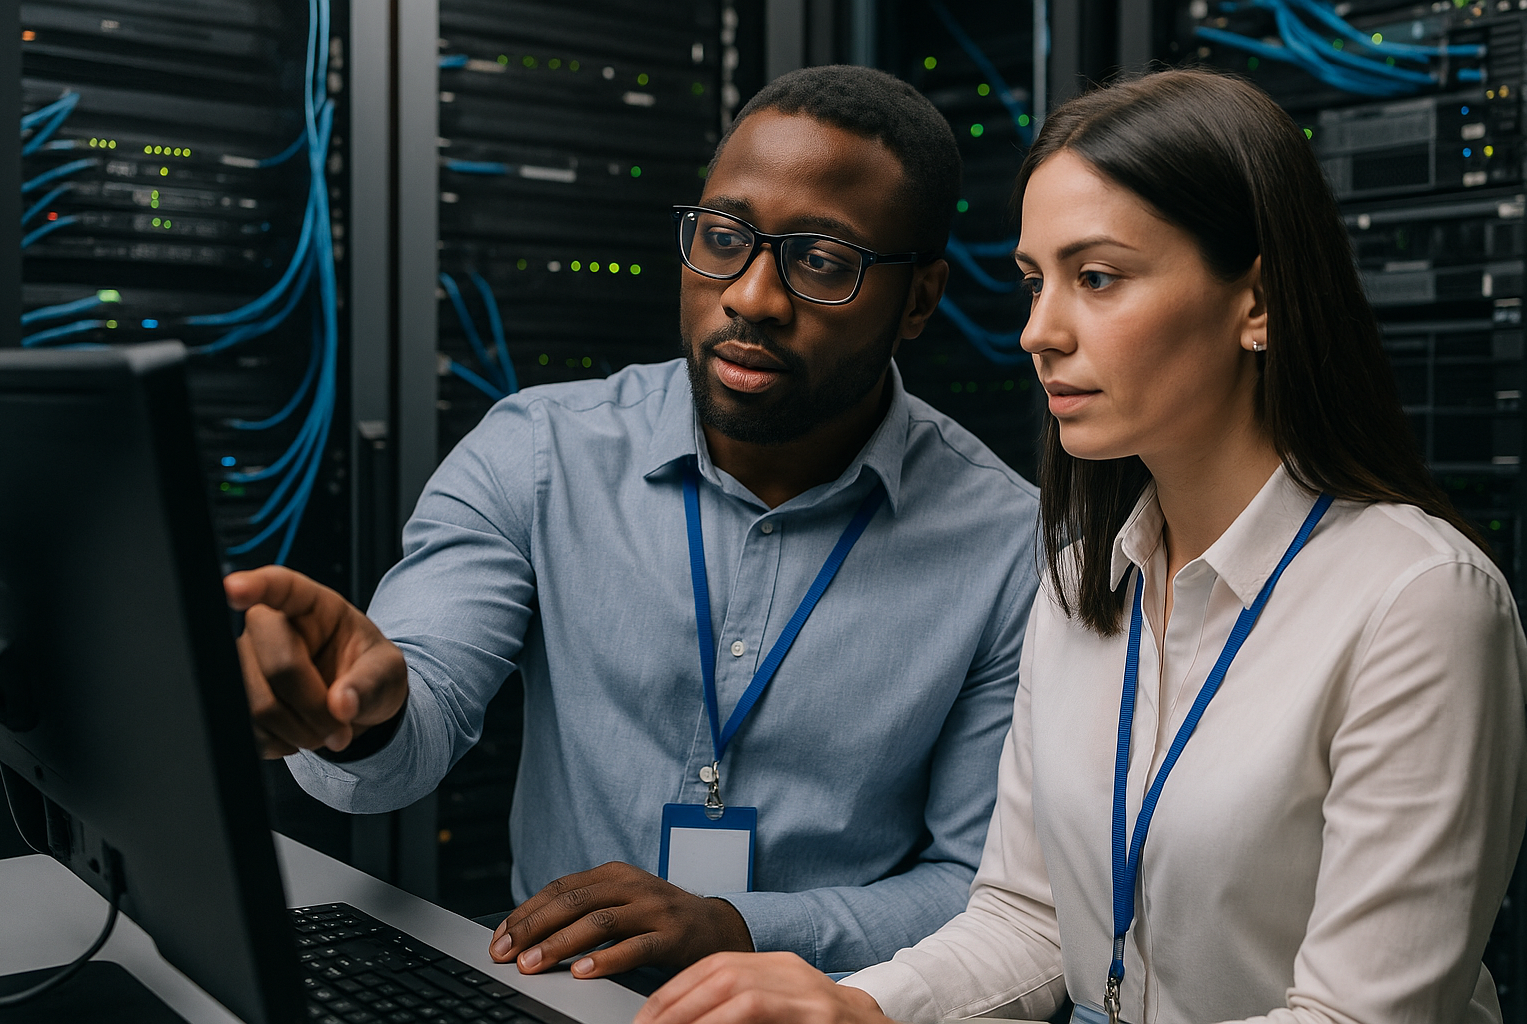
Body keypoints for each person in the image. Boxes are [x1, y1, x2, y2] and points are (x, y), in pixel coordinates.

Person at [630, 68, 1527, 1024]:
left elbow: (1355, 1018)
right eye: (1035, 280)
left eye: (1096, 278)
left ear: (1256, 303)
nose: (1038, 332)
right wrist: (858, 1008)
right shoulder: (1080, 579)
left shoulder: (1419, 602)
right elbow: (1027, 917)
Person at [224, 64, 1043, 981]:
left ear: (919, 300)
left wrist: (742, 927)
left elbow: (979, 891)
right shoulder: (537, 455)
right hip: (566, 999)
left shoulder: (1011, 546)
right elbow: (408, 734)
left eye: (822, 261)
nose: (752, 298)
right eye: (725, 237)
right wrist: (359, 718)